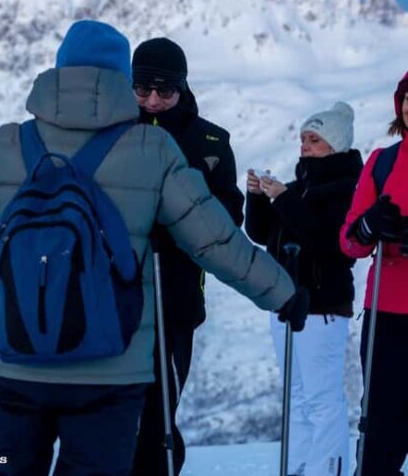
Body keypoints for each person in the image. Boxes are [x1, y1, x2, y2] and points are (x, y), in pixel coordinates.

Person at [0, 20, 308, 475]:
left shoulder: (8, 144)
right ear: (120, 80)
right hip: (110, 369)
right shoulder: (154, 149)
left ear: (59, 72)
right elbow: (217, 240)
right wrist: (282, 292)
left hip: (13, 361)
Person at [129, 37, 245, 476]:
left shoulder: (209, 141)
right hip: (113, 298)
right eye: (142, 90)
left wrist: (186, 204)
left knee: (159, 414)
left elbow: (231, 218)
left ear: (182, 87)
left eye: (165, 91)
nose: (153, 101)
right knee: (111, 415)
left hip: (174, 299)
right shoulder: (114, 132)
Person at [245, 101, 362, 476]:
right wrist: (258, 199)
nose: (305, 146)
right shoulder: (299, 189)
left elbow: (324, 238)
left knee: (320, 396)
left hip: (322, 305)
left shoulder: (346, 191)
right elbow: (263, 234)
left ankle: (329, 469)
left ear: (335, 144)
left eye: (314, 140)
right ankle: (297, 467)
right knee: (296, 396)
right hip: (288, 304)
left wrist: (282, 198)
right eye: (303, 139)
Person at [340, 72, 408, 475]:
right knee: (381, 432)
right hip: (386, 315)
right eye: (405, 99)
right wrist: (369, 225)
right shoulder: (382, 162)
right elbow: (349, 242)